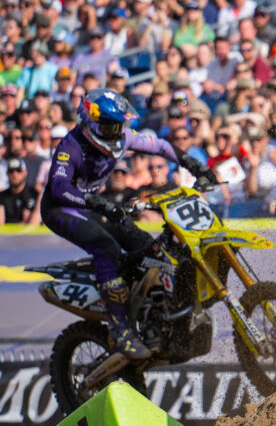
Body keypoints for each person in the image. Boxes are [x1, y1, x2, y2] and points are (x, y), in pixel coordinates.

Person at [40, 88, 215, 359]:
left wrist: (194, 164)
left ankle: (152, 316)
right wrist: (95, 202)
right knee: (105, 246)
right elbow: (58, 187)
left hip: (94, 205)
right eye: (110, 126)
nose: (116, 132)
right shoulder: (70, 146)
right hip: (61, 208)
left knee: (148, 246)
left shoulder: (121, 137)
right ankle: (120, 329)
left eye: (119, 125)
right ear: (90, 124)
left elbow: (160, 146)